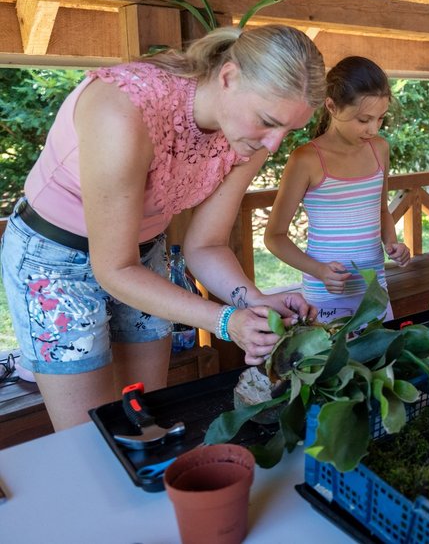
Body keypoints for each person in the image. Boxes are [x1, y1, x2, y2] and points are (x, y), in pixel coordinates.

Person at [0, 25, 325, 430]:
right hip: (53, 259)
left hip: (142, 254)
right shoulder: (124, 109)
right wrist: (226, 321)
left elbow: (206, 245)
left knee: (144, 411)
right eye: (268, 121)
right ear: (228, 77)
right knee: (89, 431)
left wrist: (254, 303)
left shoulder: (251, 138)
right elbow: (114, 268)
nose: (275, 144)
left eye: (288, 131)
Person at [264, 56, 410, 323]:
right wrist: (319, 270)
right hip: (325, 295)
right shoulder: (306, 159)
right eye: (364, 119)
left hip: (375, 290)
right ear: (331, 106)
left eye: (380, 118)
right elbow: (274, 237)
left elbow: (380, 210)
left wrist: (393, 243)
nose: (373, 129)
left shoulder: (379, 149)